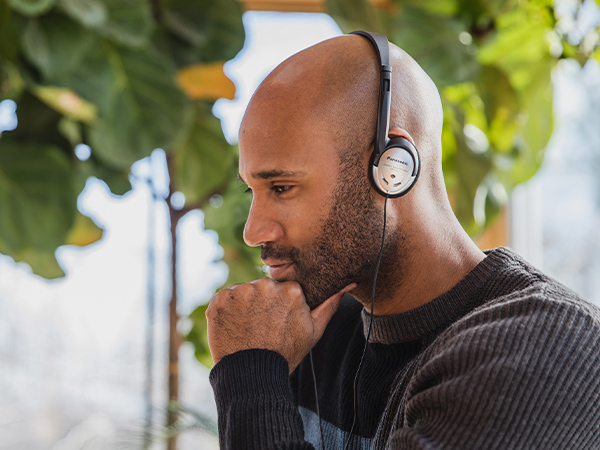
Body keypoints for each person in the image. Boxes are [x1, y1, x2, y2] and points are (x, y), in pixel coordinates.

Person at [205, 32, 600, 450]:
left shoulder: (545, 351)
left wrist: (249, 374)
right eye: (253, 191)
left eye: (282, 188)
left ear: (391, 167)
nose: (253, 232)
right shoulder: (309, 336)